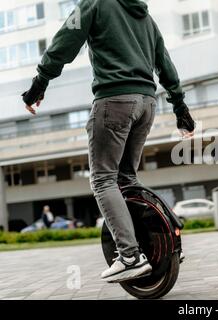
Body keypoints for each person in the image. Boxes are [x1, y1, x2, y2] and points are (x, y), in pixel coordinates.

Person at [21, 0, 195, 282]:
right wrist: (180, 108)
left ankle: (129, 256)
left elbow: (64, 41)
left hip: (114, 100)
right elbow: (165, 63)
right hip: (147, 103)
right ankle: (164, 242)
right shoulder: (145, 17)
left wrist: (39, 84)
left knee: (103, 179)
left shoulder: (94, 3)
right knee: (126, 179)